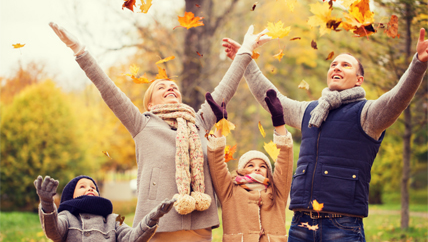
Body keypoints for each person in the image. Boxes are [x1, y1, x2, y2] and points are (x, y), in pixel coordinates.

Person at [48, 22, 271, 241]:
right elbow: (108, 89)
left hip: (200, 226)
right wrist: (80, 52)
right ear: (150, 105)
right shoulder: (142, 124)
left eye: (173, 86)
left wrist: (245, 51)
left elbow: (225, 89)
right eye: (161, 87)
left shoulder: (199, 122)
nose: (170, 88)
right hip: (156, 226)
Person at [222, 28, 428, 241]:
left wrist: (418, 64)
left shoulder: (368, 114)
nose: (337, 67)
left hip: (343, 226)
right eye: (333, 64)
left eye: (345, 65)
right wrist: (246, 59)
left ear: (359, 80)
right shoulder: (309, 110)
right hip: (301, 223)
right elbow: (272, 99)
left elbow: (397, 99)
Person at [204, 89, 293, 242]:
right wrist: (221, 125)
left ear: (269, 173)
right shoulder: (229, 191)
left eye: (263, 166)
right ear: (241, 171)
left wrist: (279, 122)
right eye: (250, 165)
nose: (257, 168)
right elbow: (216, 162)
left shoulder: (277, 192)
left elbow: (284, 161)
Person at [34, 175, 175, 242]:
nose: (89, 188)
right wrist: (47, 203)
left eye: (93, 187)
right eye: (82, 186)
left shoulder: (115, 218)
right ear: (70, 196)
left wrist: (153, 217)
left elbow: (132, 238)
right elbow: (53, 232)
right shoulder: (67, 216)